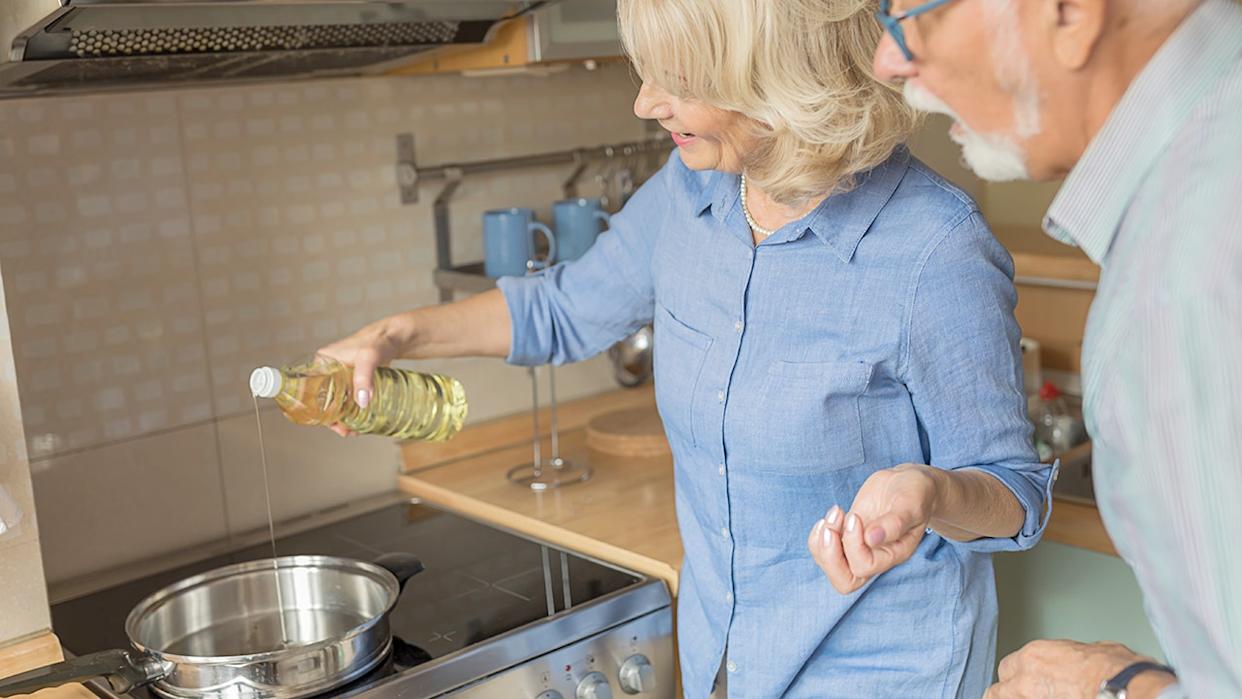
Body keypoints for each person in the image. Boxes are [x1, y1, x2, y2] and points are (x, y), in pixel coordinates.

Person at [321, 0, 1054, 695]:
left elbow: (1015, 496)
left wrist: (932, 493)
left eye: (679, 79)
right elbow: (562, 309)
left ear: (775, 73)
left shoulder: (934, 247)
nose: (644, 103)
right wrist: (396, 335)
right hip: (722, 656)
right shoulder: (688, 193)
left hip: (886, 673)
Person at [870, 0, 1242, 697]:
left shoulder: (1178, 293)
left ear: (1069, 12)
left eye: (911, 13)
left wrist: (1113, 685)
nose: (888, 60)